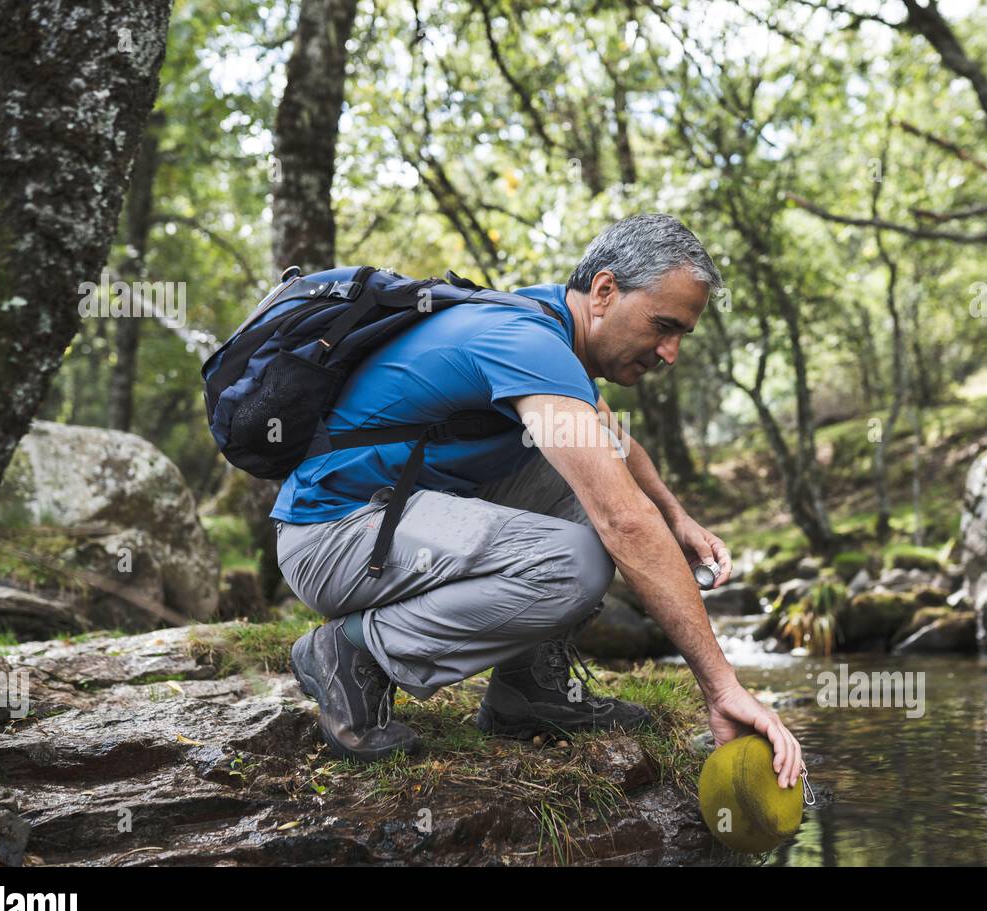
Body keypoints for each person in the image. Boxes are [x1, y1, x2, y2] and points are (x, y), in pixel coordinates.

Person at [273, 213, 803, 789]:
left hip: (396, 517)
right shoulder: (525, 342)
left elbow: (615, 442)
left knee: (592, 474)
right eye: (663, 325)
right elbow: (623, 521)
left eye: (682, 335)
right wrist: (722, 687)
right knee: (578, 558)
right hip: (332, 535)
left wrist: (677, 517)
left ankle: (528, 693)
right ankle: (352, 653)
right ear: (604, 291)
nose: (670, 352)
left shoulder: (546, 323)